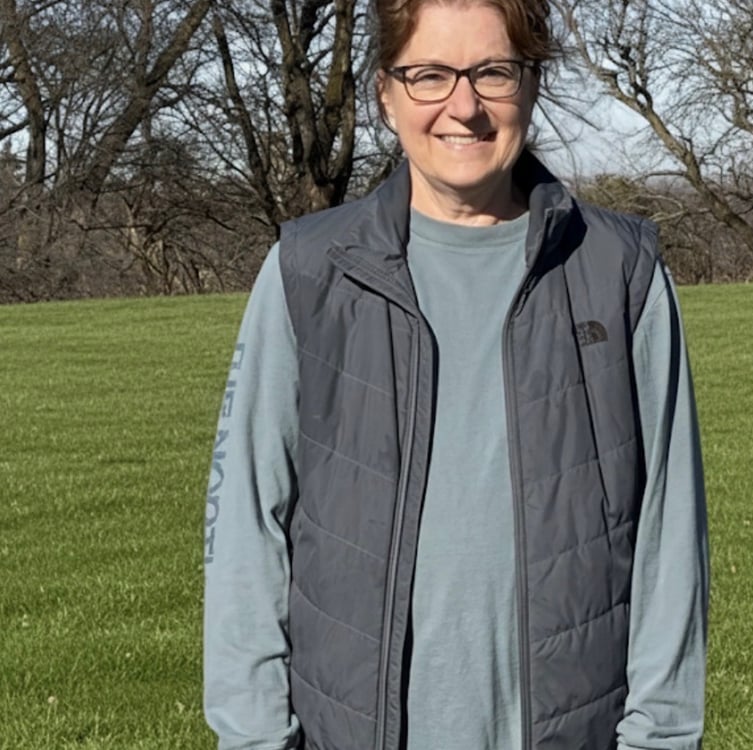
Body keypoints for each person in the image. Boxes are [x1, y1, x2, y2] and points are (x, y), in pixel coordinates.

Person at [203, 0, 709, 748]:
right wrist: (253, 736)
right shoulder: (308, 271)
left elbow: (672, 533)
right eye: (430, 74)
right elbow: (247, 521)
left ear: (533, 82)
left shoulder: (620, 272)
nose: (463, 107)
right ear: (385, 91)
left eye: (493, 72)